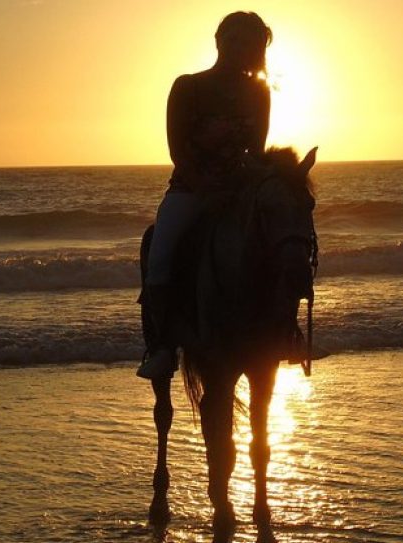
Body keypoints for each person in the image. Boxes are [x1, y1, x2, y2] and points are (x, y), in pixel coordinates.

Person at [137, 12, 273, 379]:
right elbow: (177, 150)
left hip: (239, 193)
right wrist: (205, 189)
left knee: (283, 244)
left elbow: (256, 152)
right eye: (233, 40)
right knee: (160, 255)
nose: (238, 48)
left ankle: (285, 333)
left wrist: (257, 185)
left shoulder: (258, 93)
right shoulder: (188, 87)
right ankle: (163, 346)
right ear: (218, 41)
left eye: (248, 43)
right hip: (190, 190)